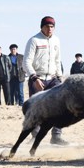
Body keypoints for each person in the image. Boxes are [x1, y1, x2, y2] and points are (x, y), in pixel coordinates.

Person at [23, 15, 67, 145]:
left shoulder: (56, 41)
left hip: (53, 79)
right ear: (42, 27)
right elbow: (26, 62)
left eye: (52, 27)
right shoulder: (34, 40)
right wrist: (34, 77)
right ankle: (35, 136)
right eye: (47, 26)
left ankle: (56, 136)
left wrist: (60, 76)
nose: (50, 29)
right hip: (38, 78)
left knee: (59, 107)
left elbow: (58, 60)